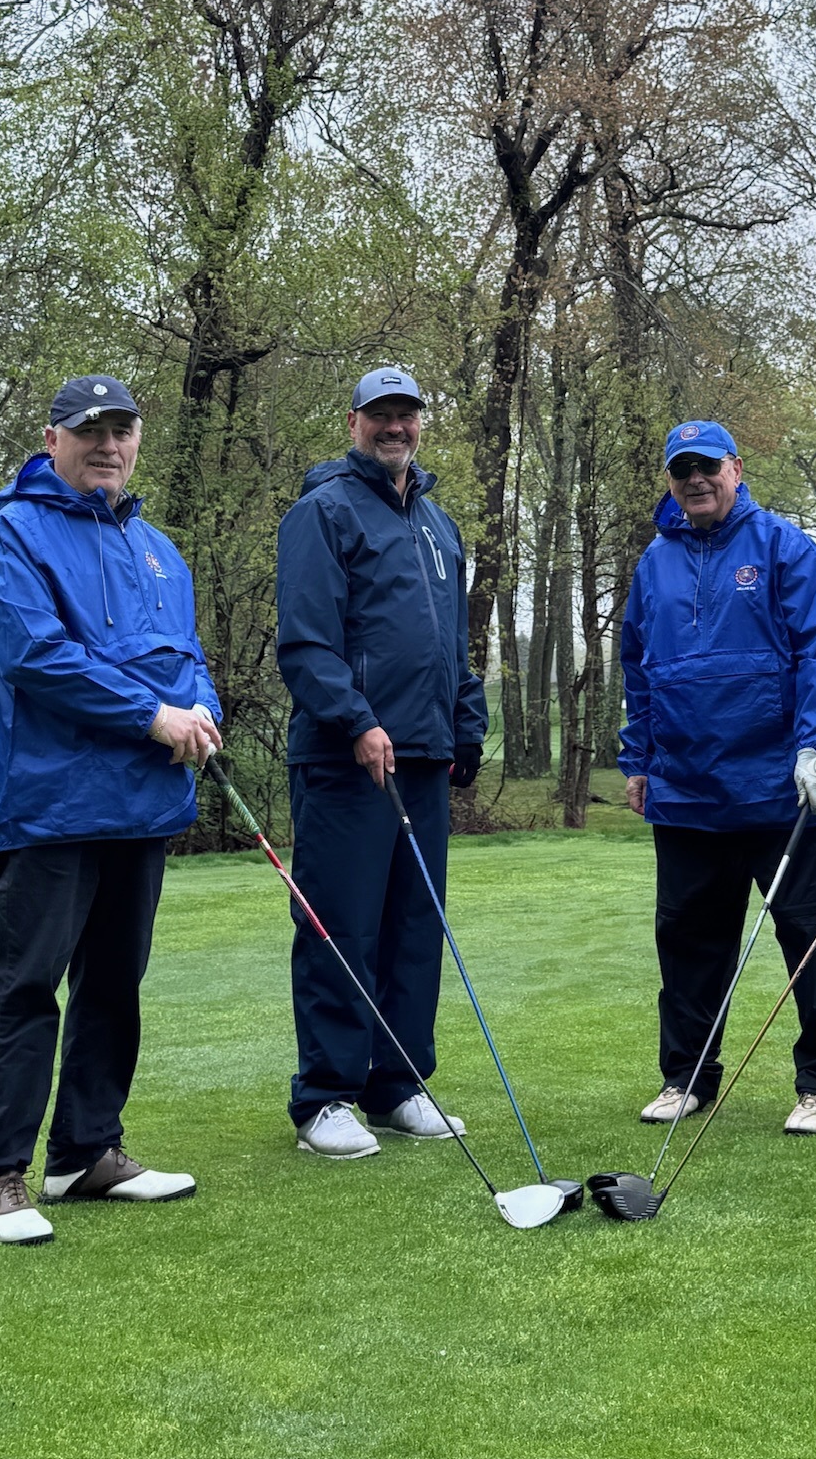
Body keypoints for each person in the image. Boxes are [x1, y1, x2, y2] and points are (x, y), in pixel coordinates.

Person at [0, 376, 222, 1245]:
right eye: (90, 431)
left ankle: (86, 1153)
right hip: (53, 806)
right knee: (25, 990)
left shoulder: (158, 549)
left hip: (142, 806)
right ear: (53, 440)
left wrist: (201, 710)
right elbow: (36, 657)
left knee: (113, 985)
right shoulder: (14, 534)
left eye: (122, 431)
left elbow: (187, 659)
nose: (108, 446)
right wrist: (154, 717)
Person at [618, 419, 816, 1136]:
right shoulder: (654, 563)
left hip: (780, 785)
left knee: (809, 937)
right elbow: (640, 670)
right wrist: (638, 759)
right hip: (686, 788)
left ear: (735, 468)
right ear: (671, 480)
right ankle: (686, 1077)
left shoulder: (784, 546)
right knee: (688, 943)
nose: (695, 480)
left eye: (707, 466)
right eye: (681, 470)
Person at [275, 366, 488, 1159]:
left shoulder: (437, 523)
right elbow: (305, 644)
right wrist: (356, 720)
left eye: (406, 414)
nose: (394, 427)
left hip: (424, 756)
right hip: (347, 759)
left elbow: (453, 644)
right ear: (354, 421)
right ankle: (324, 1096)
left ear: (421, 422)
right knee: (341, 926)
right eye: (380, 415)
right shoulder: (322, 512)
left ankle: (397, 1085)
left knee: (413, 927)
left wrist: (467, 725)